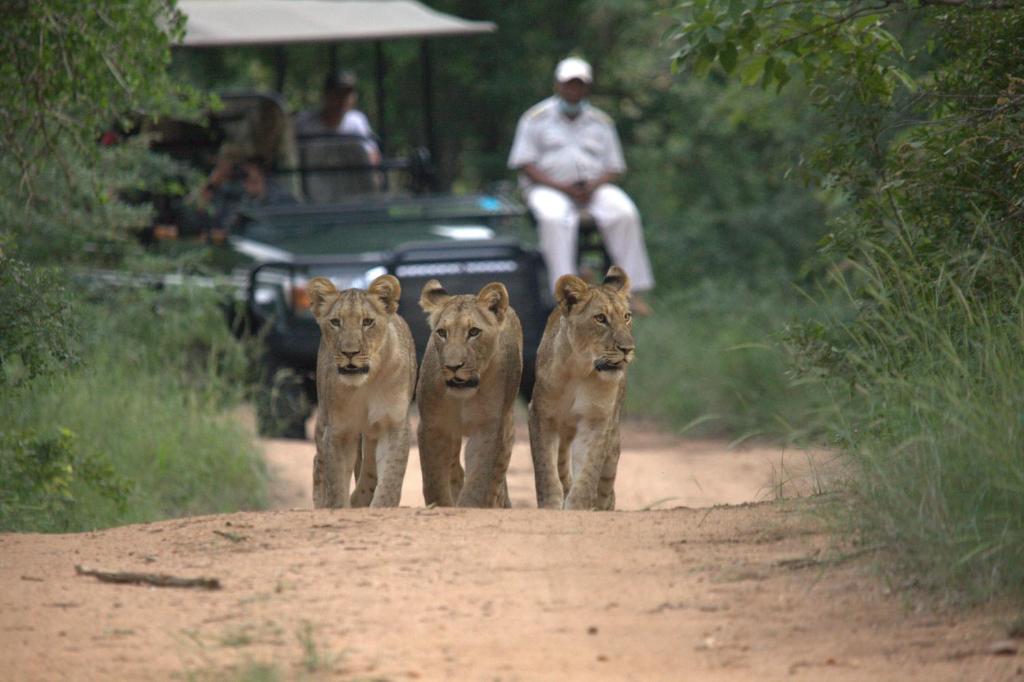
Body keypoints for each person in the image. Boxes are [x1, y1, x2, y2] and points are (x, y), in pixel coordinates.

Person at [508, 57, 654, 314]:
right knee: (554, 218)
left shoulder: (600, 122)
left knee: (624, 213)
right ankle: (568, 292)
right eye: (569, 84)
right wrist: (563, 188)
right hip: (548, 188)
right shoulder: (535, 119)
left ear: (587, 87)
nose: (573, 90)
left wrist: (591, 187)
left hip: (592, 189)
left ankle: (632, 291)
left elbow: (614, 166)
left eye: (579, 84)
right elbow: (524, 162)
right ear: (558, 85)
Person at [294, 70, 381, 165]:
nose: (343, 100)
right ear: (326, 95)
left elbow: (372, 156)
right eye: (337, 94)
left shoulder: (357, 121)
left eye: (347, 94)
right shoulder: (303, 123)